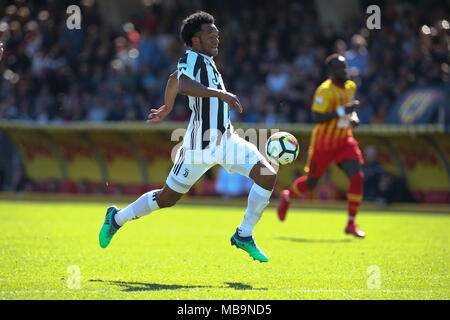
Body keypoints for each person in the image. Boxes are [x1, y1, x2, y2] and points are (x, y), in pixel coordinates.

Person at [98, 11, 277, 262]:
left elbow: (173, 80)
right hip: (198, 147)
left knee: (267, 175)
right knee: (166, 198)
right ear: (195, 40)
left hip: (226, 140)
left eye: (217, 34)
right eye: (210, 35)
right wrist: (221, 94)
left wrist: (167, 107)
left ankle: (244, 234)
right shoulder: (191, 57)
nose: (216, 38)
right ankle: (116, 218)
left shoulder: (205, 61)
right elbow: (183, 84)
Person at [277, 54, 366, 238]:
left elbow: (352, 110)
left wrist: (354, 118)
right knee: (312, 182)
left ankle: (351, 223)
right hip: (323, 144)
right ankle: (287, 197)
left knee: (357, 177)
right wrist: (344, 111)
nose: (345, 70)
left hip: (344, 141)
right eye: (341, 68)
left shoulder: (351, 86)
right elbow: (317, 117)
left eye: (345, 66)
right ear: (332, 73)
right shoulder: (324, 91)